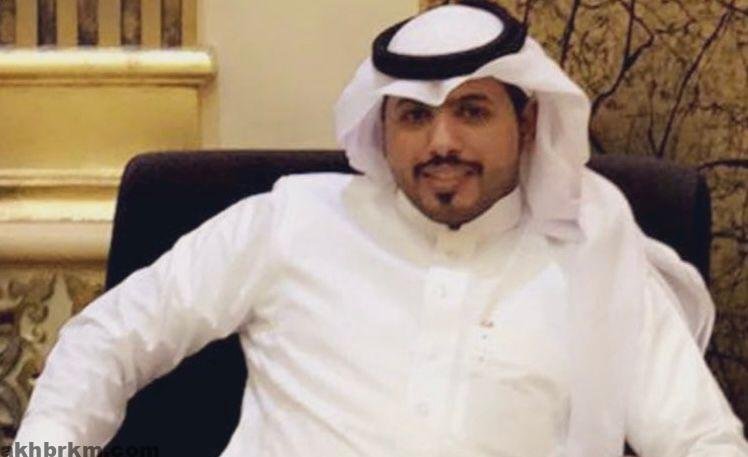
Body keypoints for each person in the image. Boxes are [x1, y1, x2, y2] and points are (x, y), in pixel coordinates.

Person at [14, 1, 748, 456]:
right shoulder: (290, 221)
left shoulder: (597, 259)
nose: (441, 142)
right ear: (382, 127)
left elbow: (701, 440)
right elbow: (106, 340)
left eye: (472, 111)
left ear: (526, 124)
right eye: (415, 116)